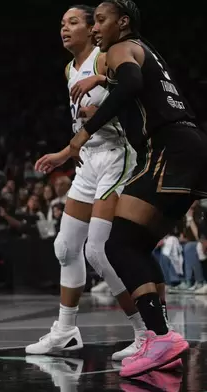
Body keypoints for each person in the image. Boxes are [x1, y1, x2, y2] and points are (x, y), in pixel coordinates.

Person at [67, 0, 202, 377]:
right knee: (137, 245)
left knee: (118, 244)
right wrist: (102, 80)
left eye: (101, 21)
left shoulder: (121, 48)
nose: (95, 29)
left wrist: (83, 133)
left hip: (169, 149)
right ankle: (157, 337)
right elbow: (135, 83)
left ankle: (160, 337)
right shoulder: (143, 51)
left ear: (123, 23)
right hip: (185, 147)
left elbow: (130, 83)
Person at [26, 4, 146, 362]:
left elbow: (134, 97)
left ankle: (146, 332)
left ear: (92, 26)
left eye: (73, 22)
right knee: (65, 247)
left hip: (117, 156)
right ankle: (65, 331)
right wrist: (73, 144)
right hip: (89, 160)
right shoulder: (69, 68)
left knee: (99, 251)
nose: (65, 29)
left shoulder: (106, 57)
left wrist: (105, 115)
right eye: (62, 23)